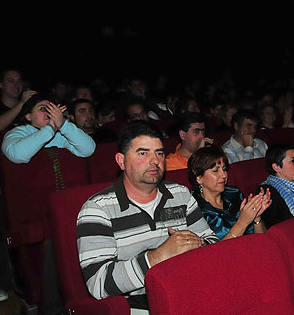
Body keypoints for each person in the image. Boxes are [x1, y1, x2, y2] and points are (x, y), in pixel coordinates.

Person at [77, 121, 218, 313]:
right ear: (121, 161)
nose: (155, 161)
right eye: (143, 153)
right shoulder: (97, 209)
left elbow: (212, 243)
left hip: (189, 292)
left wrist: (194, 245)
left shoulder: (180, 194)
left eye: (159, 153)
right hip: (139, 307)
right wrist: (158, 256)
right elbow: (99, 284)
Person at [188, 146, 271, 239]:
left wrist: (256, 217)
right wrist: (242, 222)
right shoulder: (192, 207)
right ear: (199, 178)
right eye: (215, 171)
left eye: (224, 169)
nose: (224, 175)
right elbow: (212, 252)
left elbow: (262, 239)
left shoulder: (234, 193)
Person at [1, 94, 96, 164]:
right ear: (29, 116)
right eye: (43, 109)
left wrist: (63, 125)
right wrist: (50, 128)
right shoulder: (17, 132)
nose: (49, 113)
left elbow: (88, 150)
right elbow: (17, 156)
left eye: (52, 109)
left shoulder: (60, 134)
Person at [0, 68, 38, 133]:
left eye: (19, 81)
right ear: (0, 84)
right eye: (10, 81)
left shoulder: (28, 107)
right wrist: (21, 103)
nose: (16, 85)